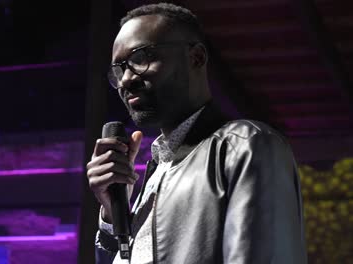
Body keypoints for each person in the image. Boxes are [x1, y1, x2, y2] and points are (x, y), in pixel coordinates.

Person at [86, 3, 307, 263]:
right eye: (119, 69)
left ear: (196, 58)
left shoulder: (245, 145)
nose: (125, 80)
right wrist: (113, 215)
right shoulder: (157, 170)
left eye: (140, 59)